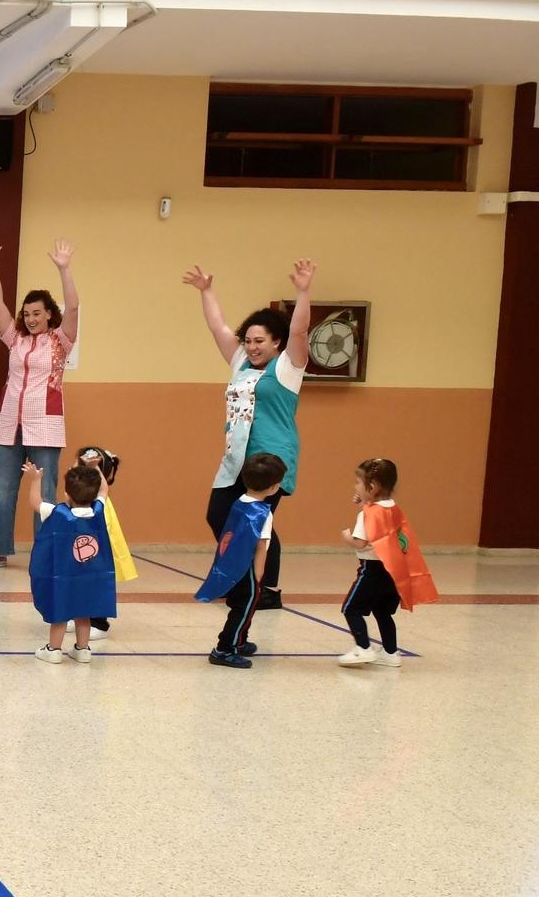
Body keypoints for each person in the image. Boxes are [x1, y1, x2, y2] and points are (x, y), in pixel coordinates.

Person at [185, 259, 315, 610]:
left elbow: (300, 332)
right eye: (249, 340)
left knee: (257, 521)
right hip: (235, 457)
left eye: (260, 340)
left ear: (277, 343)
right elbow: (218, 328)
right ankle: (243, 577)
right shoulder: (240, 362)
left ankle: (266, 589)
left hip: (270, 458)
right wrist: (206, 290)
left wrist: (303, 292)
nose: (253, 346)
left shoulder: (288, 368)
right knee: (219, 514)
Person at [0, 235, 80, 570]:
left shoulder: (61, 341)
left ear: (50, 315)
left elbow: (74, 307)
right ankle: (0, 549)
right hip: (9, 425)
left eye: (38, 313)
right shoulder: (15, 340)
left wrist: (64, 269)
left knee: (45, 493)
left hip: (45, 425)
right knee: (4, 491)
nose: (31, 319)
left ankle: (46, 552)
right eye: (27, 313)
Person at [338, 457, 437, 668]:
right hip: (394, 572)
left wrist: (346, 537)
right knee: (382, 612)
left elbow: (361, 542)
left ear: (371, 487)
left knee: (351, 608)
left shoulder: (367, 515)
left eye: (358, 483)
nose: (355, 486)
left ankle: (363, 648)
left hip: (372, 570)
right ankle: (391, 653)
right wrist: (365, 499)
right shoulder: (393, 508)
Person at [194, 452, 287, 669]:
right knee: (244, 608)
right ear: (274, 488)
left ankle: (239, 640)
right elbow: (262, 546)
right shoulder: (263, 512)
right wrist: (258, 575)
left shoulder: (238, 502)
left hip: (230, 565)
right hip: (247, 569)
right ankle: (225, 648)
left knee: (239, 606)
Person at [26, 461, 118, 665]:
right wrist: (96, 468)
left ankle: (54, 650)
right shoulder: (98, 511)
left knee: (60, 613)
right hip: (88, 577)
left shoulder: (57, 512)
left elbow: (35, 501)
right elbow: (104, 489)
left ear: (67, 494)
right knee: (83, 612)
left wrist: (36, 479)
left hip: (63, 579)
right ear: (93, 496)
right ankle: (83, 649)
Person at [75, 446, 138, 640]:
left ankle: (99, 622)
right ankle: (78, 615)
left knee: (97, 586)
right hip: (82, 552)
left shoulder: (100, 500)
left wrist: (95, 469)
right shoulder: (79, 496)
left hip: (98, 554)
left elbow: (104, 490)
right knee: (78, 583)